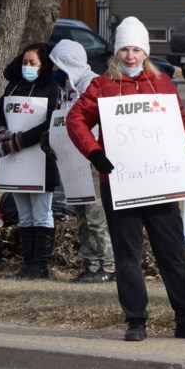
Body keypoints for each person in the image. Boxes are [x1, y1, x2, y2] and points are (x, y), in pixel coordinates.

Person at [66, 16, 185, 342]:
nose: (130, 56)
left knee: (173, 255)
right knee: (128, 256)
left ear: (145, 51)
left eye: (136, 49)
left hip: (161, 184)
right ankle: (136, 320)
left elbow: (180, 120)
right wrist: (94, 152)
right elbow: (75, 118)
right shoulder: (102, 85)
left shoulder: (163, 83)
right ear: (117, 52)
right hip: (120, 185)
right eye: (124, 49)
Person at [48, 39, 116, 283]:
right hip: (71, 162)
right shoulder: (65, 89)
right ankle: (91, 266)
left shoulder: (92, 84)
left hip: (92, 160)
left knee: (96, 215)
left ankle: (108, 268)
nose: (52, 70)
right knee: (82, 217)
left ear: (67, 64)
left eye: (56, 65)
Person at [0, 43, 60, 279]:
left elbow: (50, 123)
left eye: (33, 63)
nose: (27, 67)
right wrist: (1, 133)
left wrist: (18, 142)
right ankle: (28, 265)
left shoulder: (52, 87)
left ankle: (40, 266)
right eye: (24, 62)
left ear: (43, 66)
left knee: (42, 213)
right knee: (25, 216)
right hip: (13, 161)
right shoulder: (14, 86)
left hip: (40, 160)